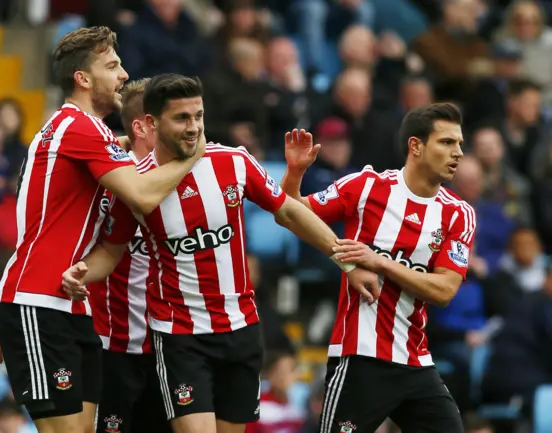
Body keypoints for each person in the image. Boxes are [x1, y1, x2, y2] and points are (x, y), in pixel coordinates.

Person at [61, 74, 379, 433]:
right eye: (182, 118)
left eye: (198, 116)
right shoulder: (134, 185)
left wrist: (348, 263)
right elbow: (111, 251)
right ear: (151, 123)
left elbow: (290, 211)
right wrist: (79, 272)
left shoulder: (234, 163)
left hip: (240, 329)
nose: (194, 127)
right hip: (179, 335)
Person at [0, 28, 206, 433]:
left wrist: (81, 273)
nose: (123, 74)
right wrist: (190, 155)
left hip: (71, 307)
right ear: (83, 79)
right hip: (37, 302)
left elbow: (109, 249)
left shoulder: (95, 138)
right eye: (111, 66)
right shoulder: (77, 127)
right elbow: (143, 196)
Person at [280, 102, 477, 433]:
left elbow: (444, 290)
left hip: (416, 359)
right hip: (361, 356)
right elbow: (291, 213)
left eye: (459, 143)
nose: (457, 152)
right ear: (416, 146)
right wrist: (295, 173)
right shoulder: (367, 186)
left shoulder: (459, 214)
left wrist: (381, 262)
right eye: (446, 142)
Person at [88, 77, 171, 433]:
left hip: (173, 347)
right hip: (113, 347)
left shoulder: (192, 180)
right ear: (143, 127)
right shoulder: (103, 182)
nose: (190, 130)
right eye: (173, 120)